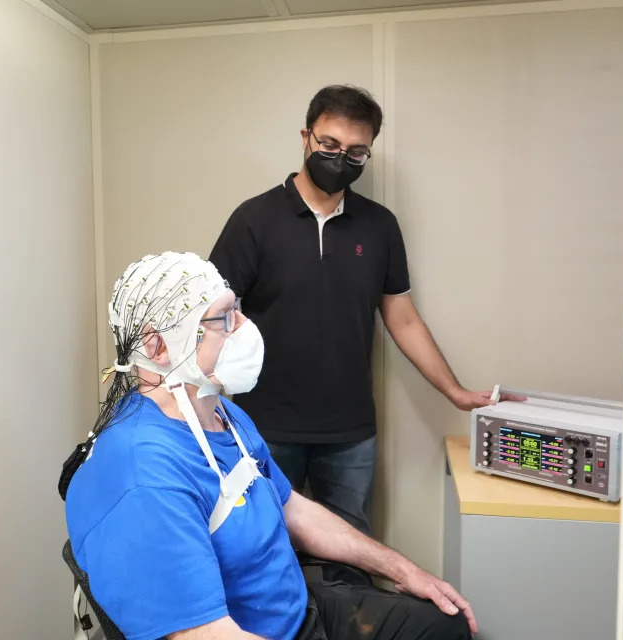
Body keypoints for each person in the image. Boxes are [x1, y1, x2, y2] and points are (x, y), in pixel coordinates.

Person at [58, 251, 475, 640]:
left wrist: (400, 569)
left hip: (296, 610)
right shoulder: (144, 479)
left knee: (445, 626)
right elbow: (205, 636)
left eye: (236, 310)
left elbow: (290, 506)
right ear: (157, 346)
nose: (242, 327)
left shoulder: (219, 412)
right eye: (223, 318)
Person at [209, 85, 520, 535]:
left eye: (356, 152)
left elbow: (402, 316)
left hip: (350, 431)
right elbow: (212, 315)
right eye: (330, 144)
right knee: (261, 550)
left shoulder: (379, 226)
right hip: (264, 426)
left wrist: (453, 391)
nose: (340, 158)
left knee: (351, 556)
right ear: (305, 137)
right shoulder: (253, 220)